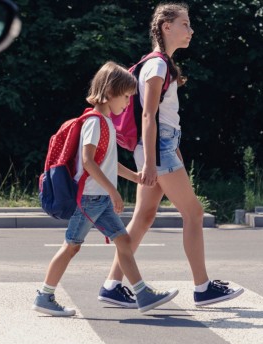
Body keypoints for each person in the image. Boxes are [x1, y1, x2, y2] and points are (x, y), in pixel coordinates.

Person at [98, 2, 244, 308]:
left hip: (162, 147)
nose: (190, 30)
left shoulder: (160, 64)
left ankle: (112, 285)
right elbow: (148, 116)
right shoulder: (158, 65)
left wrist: (168, 151)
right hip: (157, 149)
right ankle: (203, 287)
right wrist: (152, 162)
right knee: (193, 213)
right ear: (167, 26)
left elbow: (162, 118)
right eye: (185, 24)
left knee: (144, 216)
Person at [33, 62, 179, 316]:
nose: (127, 104)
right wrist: (113, 191)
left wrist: (134, 176)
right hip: (90, 198)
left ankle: (142, 294)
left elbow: (107, 162)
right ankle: (45, 296)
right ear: (110, 92)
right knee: (71, 247)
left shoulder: (105, 122)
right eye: (125, 97)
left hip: (97, 198)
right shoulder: (94, 122)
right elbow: (89, 162)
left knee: (123, 241)